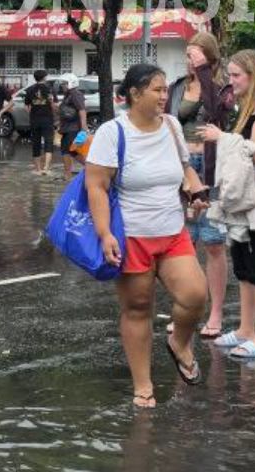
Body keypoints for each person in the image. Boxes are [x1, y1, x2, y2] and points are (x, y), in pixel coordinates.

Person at [84, 62, 210, 408]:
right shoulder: (112, 133)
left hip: (172, 232)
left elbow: (184, 169)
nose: (164, 96)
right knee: (138, 308)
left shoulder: (171, 126)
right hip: (132, 237)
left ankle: (179, 343)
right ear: (135, 94)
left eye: (165, 89)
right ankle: (143, 386)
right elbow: (96, 186)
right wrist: (104, 233)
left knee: (195, 294)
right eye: (157, 90)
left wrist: (196, 191)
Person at [199, 49, 255, 360]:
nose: (231, 81)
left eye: (236, 75)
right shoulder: (246, 109)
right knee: (244, 266)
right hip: (244, 196)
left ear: (253, 75)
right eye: (230, 75)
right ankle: (246, 330)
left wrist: (221, 137)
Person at [168, 33, 232, 339]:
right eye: (188, 55)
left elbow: (217, 113)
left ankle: (216, 314)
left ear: (210, 57)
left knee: (214, 242)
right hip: (181, 167)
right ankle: (186, 311)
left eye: (196, 55)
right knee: (184, 242)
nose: (190, 61)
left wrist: (205, 73)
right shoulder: (177, 87)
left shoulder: (221, 88)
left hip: (210, 166)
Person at [59, 78, 91, 176]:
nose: (62, 85)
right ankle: (68, 173)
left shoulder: (75, 94)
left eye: (64, 83)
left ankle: (91, 169)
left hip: (73, 128)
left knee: (70, 150)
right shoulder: (68, 95)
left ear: (71, 83)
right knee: (68, 150)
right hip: (67, 127)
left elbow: (82, 110)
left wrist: (84, 127)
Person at [27, 69, 56, 175]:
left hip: (34, 120)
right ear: (44, 77)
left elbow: (27, 106)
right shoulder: (50, 89)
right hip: (47, 119)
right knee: (48, 142)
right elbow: (53, 105)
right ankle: (46, 168)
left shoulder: (30, 90)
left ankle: (38, 169)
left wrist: (33, 113)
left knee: (36, 144)